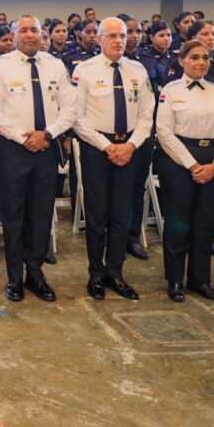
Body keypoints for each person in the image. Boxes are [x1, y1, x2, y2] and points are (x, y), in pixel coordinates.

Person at [0, 16, 77, 302]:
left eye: (34, 30)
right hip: (14, 150)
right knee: (13, 214)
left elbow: (70, 108)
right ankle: (14, 277)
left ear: (41, 34)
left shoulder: (55, 65)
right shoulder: (1, 65)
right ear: (13, 36)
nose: (29, 35)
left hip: (46, 149)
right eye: (22, 30)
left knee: (41, 213)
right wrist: (23, 137)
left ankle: (35, 273)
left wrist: (47, 134)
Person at [71, 17, 155, 301]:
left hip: (130, 148)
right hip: (97, 149)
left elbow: (146, 114)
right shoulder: (84, 70)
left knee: (122, 214)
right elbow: (77, 116)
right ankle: (96, 274)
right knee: (97, 215)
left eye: (123, 35)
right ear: (99, 39)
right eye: (113, 36)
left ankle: (116, 273)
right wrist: (108, 147)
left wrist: (130, 145)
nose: (119, 40)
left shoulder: (137, 69)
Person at [155, 40, 214, 303]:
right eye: (194, 57)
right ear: (182, 61)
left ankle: (200, 279)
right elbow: (164, 133)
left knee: (206, 223)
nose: (201, 62)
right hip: (179, 162)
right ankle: (175, 279)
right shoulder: (170, 91)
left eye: (205, 57)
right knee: (178, 223)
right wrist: (192, 165)